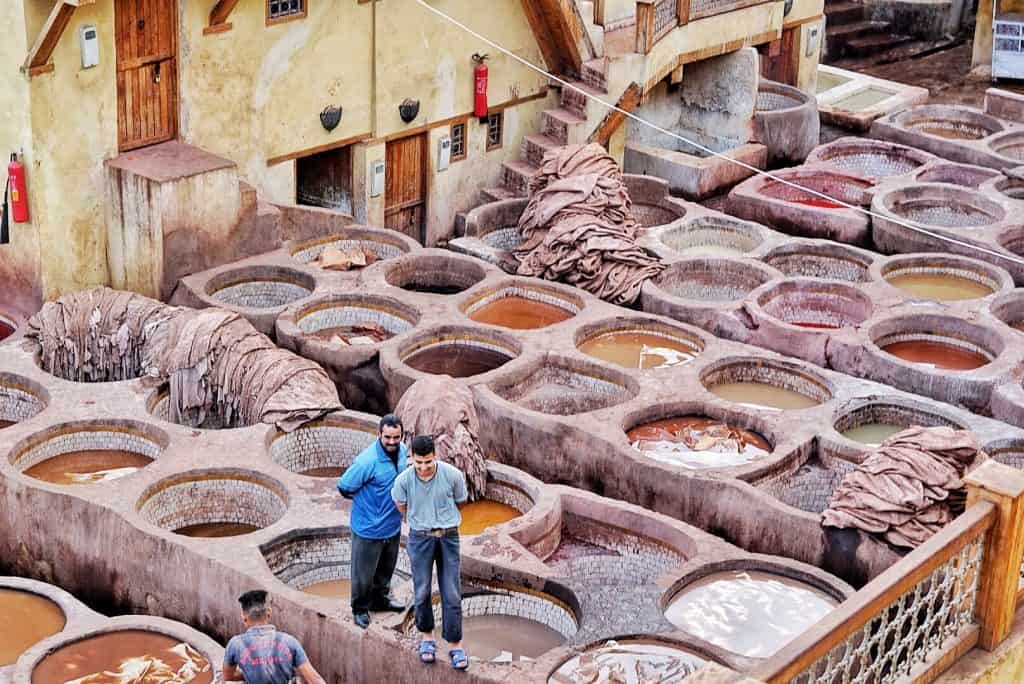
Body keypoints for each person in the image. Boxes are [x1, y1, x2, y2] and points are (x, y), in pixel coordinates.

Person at [392, 435, 470, 671]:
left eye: (428, 462)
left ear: (435, 456)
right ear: (412, 459)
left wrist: (442, 520)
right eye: (419, 463)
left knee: (452, 591)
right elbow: (401, 505)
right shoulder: (403, 480)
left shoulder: (452, 475)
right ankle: (427, 638)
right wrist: (418, 520)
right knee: (422, 590)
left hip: (448, 536)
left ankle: (456, 644)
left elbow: (461, 502)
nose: (424, 468)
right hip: (419, 537)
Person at [337, 413, 408, 629]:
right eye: (388, 437)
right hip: (368, 528)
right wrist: (369, 507)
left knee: (385, 570)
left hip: (392, 525)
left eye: (396, 437)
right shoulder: (367, 461)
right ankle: (360, 608)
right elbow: (344, 486)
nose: (392, 442)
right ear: (379, 434)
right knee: (363, 574)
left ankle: (380, 600)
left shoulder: (403, 451)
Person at [223, 590, 326, 684]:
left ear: (245, 619)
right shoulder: (289, 641)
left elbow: (228, 676)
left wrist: (249, 673)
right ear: (269, 613)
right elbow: (315, 680)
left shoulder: (235, 644)